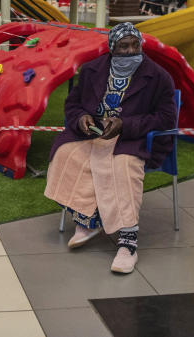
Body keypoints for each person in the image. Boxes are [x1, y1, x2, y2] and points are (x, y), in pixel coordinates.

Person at [45, 23, 176, 274]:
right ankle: (87, 220)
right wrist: (81, 117)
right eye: (123, 46)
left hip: (132, 137)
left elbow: (166, 118)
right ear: (112, 47)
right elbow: (72, 105)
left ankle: (128, 244)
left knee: (123, 167)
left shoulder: (158, 76)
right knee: (67, 155)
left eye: (135, 45)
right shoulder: (92, 69)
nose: (130, 51)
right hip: (93, 133)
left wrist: (126, 124)